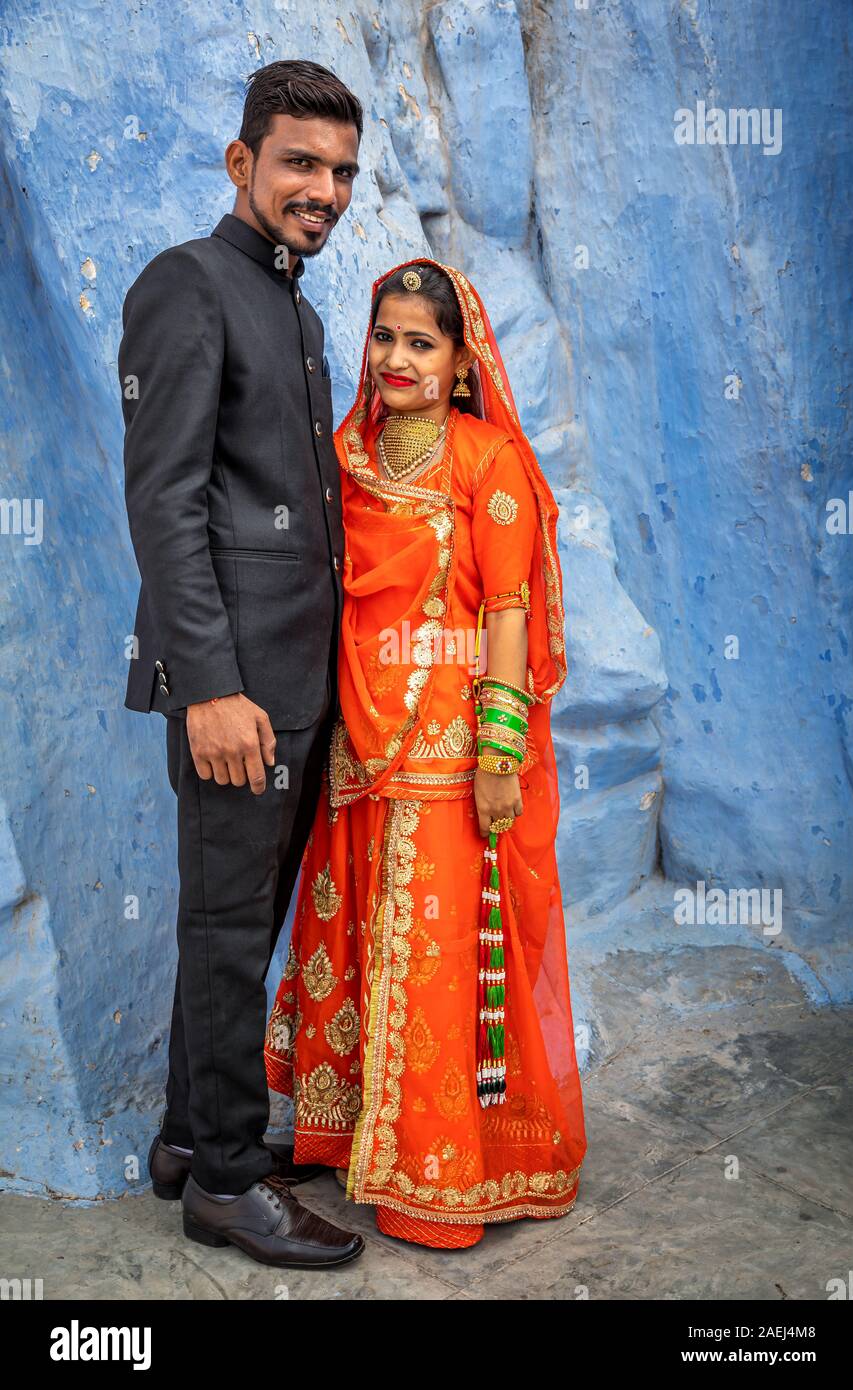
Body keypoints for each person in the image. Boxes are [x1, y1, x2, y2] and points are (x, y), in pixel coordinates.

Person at [264, 257, 588, 1250]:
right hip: (353, 749)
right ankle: (348, 1137)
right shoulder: (346, 451)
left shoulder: (485, 464)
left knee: (438, 959)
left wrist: (499, 753)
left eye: (420, 342)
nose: (395, 357)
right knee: (353, 940)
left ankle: (439, 1174)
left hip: (448, 756)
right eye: (385, 336)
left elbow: (504, 612)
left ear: (457, 363)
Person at [119, 59, 366, 1268]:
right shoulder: (189, 285)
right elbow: (163, 501)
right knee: (226, 929)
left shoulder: (299, 308)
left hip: (297, 687)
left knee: (242, 922)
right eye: (298, 163)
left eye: (338, 172)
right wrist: (210, 685)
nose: (320, 189)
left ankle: (183, 1137)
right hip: (233, 689)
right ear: (242, 163)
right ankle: (224, 1181)